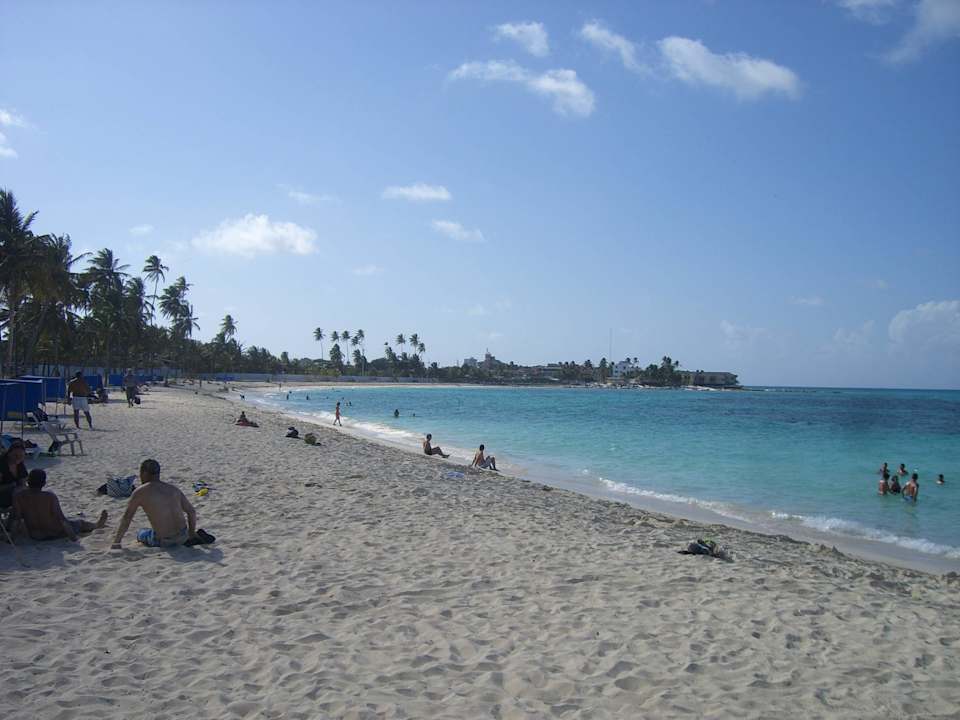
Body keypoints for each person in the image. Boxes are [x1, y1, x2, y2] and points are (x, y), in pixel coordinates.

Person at [111, 459, 208, 549]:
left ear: (143, 473)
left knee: (141, 533)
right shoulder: (173, 489)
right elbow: (191, 512)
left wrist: (117, 542)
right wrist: (191, 533)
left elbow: (127, 518)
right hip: (183, 537)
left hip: (164, 541)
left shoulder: (140, 492)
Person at [13, 469, 107, 540]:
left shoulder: (19, 496)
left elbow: (17, 519)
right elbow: (62, 519)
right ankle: (96, 525)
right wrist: (74, 538)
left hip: (36, 535)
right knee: (79, 523)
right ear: (44, 483)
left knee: (71, 519)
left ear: (28, 481)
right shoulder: (49, 496)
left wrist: (11, 539)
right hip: (55, 532)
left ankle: (93, 525)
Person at [0, 439, 28, 512]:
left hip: (15, 496)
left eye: (21, 456)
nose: (18, 457)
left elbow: (23, 484)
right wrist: (11, 486)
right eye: (15, 455)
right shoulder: (2, 464)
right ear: (9, 453)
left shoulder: (20, 465)